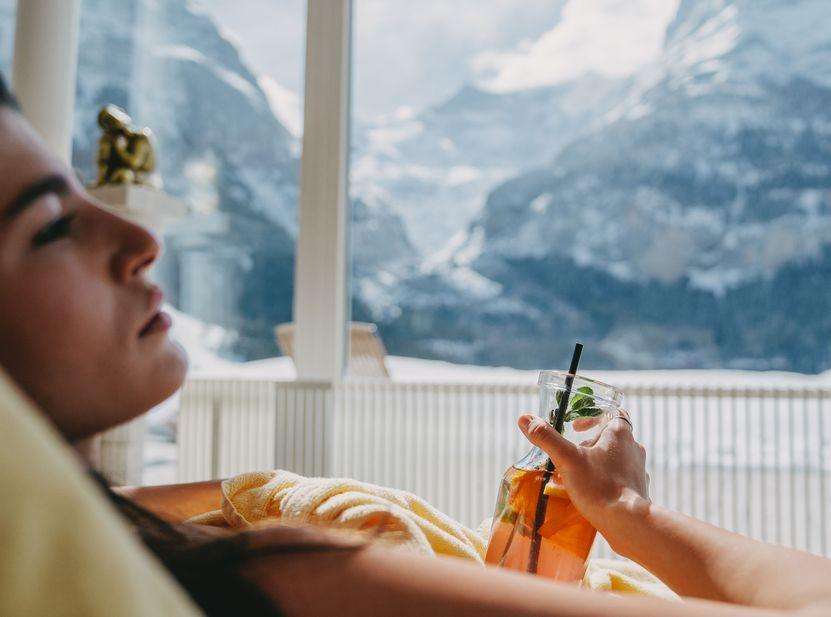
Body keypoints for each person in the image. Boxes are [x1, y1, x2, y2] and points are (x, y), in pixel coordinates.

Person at [1, 72, 829, 617]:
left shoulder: (119, 529)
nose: (140, 237)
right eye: (49, 226)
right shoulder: (293, 581)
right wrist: (628, 514)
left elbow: (120, 504)